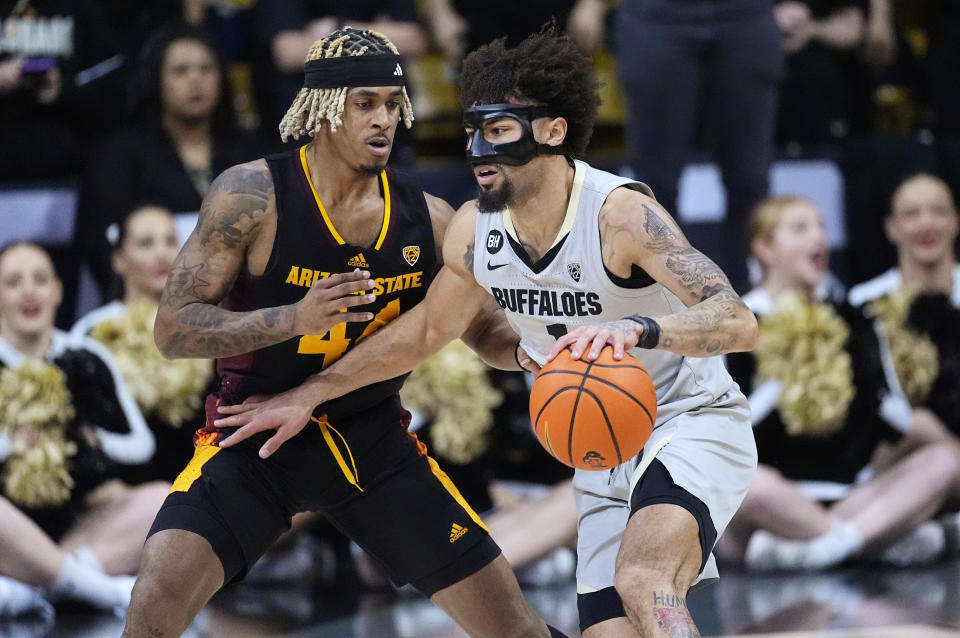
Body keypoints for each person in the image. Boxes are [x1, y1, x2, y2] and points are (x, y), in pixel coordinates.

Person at [214, 27, 760, 637]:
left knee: (643, 578)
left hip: (690, 417)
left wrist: (637, 328)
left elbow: (737, 320)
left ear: (553, 130)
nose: (477, 149)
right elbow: (424, 333)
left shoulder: (621, 215)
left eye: (497, 130)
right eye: (472, 130)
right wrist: (309, 394)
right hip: (606, 450)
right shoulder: (477, 232)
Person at [122, 27, 566, 638]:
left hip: (371, 444)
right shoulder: (252, 195)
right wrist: (293, 319)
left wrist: (525, 351)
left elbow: (481, 325)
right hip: (254, 435)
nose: (384, 119)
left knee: (514, 626)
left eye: (392, 103)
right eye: (364, 103)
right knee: (154, 599)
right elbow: (172, 329)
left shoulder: (430, 219)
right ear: (324, 109)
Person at [721, 196, 960, 571]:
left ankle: (826, 546)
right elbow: (721, 433)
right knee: (739, 481)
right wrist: (786, 380)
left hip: (853, 496)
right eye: (801, 228)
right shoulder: (732, 322)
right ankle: (872, 541)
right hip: (771, 502)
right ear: (765, 248)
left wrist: (864, 384)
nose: (819, 237)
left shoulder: (854, 317)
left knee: (944, 461)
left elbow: (895, 416)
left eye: (821, 226)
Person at [0, 242, 168, 618]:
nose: (29, 291)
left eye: (40, 280)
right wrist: (13, 445)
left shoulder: (86, 357)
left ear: (58, 290)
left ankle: (33, 587)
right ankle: (99, 591)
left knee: (163, 498)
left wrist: (87, 441)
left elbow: (142, 444)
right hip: (6, 533)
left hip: (78, 532)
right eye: (13, 282)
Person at [75, 22, 261, 299]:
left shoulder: (252, 151)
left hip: (241, 303)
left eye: (206, 69)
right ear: (156, 79)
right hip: (149, 307)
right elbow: (99, 245)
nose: (195, 80)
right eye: (180, 70)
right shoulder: (118, 155)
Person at [614, 0, 783, 293]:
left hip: (746, 15)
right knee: (655, 186)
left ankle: (756, 307)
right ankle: (662, 302)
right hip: (656, 16)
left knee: (751, 180)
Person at [72, 205, 213, 484]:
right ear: (118, 260)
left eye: (170, 241)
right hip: (132, 483)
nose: (162, 253)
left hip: (206, 475)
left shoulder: (207, 322)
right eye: (146, 243)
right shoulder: (93, 333)